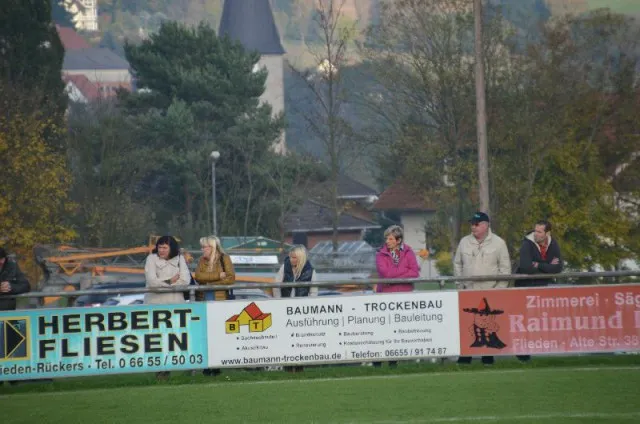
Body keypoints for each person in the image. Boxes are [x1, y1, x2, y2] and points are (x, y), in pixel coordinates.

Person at [453, 212, 510, 365]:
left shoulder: (499, 243)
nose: (473, 227)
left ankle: (488, 357)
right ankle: (465, 357)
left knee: (489, 325)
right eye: (472, 224)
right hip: (468, 291)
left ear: (486, 225)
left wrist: (498, 290)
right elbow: (457, 264)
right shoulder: (464, 242)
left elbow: (505, 269)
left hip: (490, 291)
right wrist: (460, 285)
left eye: (476, 224)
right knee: (467, 325)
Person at [515, 220, 563, 362]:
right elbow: (525, 266)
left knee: (538, 321)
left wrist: (537, 264)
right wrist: (547, 265)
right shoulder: (527, 244)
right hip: (524, 288)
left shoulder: (553, 244)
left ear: (547, 233)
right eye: (535, 230)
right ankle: (522, 354)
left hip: (542, 288)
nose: (536, 234)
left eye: (539, 231)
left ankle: (533, 349)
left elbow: (558, 268)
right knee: (524, 321)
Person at [144, 236, 191, 380]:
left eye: (165, 247)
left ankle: (186, 369)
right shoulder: (151, 259)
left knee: (178, 339)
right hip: (155, 307)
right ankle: (161, 373)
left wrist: (163, 285)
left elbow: (185, 281)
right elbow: (152, 283)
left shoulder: (180, 259)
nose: (161, 250)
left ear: (172, 248)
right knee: (158, 341)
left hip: (176, 307)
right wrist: (170, 282)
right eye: (160, 247)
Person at [374, 225, 420, 368]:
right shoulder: (380, 254)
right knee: (384, 331)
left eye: (390, 239)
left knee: (399, 331)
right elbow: (385, 274)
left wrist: (394, 274)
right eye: (386, 239)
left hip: (403, 298)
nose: (387, 241)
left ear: (398, 240)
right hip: (385, 297)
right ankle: (377, 360)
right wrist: (404, 272)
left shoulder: (408, 252)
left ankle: (393, 362)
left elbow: (415, 273)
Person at [194, 235, 235, 376]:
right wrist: (218, 275)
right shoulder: (201, 260)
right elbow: (198, 277)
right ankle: (206, 366)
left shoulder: (224, 258)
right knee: (205, 335)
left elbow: (231, 278)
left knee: (217, 334)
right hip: (203, 300)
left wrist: (210, 283)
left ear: (212, 247)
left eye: (204, 247)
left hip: (219, 302)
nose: (202, 249)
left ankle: (216, 365)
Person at [273, 245, 317, 372]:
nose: (291, 260)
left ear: (301, 258)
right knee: (286, 339)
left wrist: (307, 308)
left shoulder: (311, 270)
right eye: (290, 257)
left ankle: (299, 367)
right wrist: (279, 302)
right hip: (285, 308)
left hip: (301, 311)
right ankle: (287, 367)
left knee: (301, 340)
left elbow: (313, 292)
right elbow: (276, 285)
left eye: (294, 257)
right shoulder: (284, 267)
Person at [1, 248, 32, 386]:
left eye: (3, 260)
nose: (2, 263)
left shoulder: (12, 266)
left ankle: (13, 377)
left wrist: (11, 288)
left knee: (10, 347)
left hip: (8, 314)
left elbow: (25, 285)